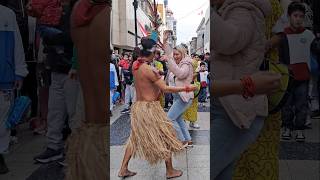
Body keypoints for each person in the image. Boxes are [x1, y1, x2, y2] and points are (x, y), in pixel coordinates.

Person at [118, 37, 197, 179]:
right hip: (150, 109)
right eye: (156, 53)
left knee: (134, 138)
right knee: (166, 136)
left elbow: (146, 80)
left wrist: (157, 74)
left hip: (138, 107)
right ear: (152, 53)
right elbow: (166, 89)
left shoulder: (136, 65)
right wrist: (186, 87)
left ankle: (123, 169)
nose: (157, 55)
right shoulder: (149, 70)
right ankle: (170, 170)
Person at [210, 0, 272, 179]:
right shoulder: (232, 9)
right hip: (230, 106)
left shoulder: (242, 9)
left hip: (236, 111)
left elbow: (229, 40)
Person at [33, 0, 80, 164]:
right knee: (55, 111)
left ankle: (76, 150)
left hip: (72, 70)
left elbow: (76, 37)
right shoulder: (53, 7)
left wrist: (55, 37)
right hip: (56, 67)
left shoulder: (78, 7)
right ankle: (54, 147)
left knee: (74, 113)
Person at [276, 2, 315, 141]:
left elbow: (315, 52)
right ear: (289, 16)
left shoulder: (309, 35)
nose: (298, 19)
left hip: (303, 76)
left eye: (301, 16)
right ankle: (287, 127)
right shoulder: (282, 35)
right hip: (287, 76)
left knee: (301, 104)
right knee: (286, 105)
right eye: (295, 15)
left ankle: (299, 129)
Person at [0, 4, 28, 174]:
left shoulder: (7, 14)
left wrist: (19, 71)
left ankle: (0, 154)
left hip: (4, 78)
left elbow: (17, 44)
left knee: (3, 122)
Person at [163, 39, 195, 146]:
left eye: (177, 54)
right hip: (178, 96)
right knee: (178, 118)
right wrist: (164, 42)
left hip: (184, 97)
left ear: (182, 53)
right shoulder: (177, 63)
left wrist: (170, 61)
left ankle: (182, 140)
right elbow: (169, 55)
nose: (175, 56)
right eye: (174, 54)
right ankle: (188, 140)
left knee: (169, 118)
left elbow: (181, 74)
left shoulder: (186, 63)